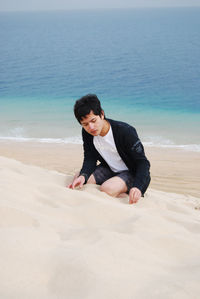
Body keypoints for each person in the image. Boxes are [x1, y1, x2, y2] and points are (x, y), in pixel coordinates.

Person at [68, 94, 151, 204]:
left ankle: (126, 193)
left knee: (106, 189)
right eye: (85, 124)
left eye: (93, 120)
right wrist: (84, 176)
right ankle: (116, 190)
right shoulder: (87, 133)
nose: (91, 127)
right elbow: (90, 158)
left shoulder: (125, 131)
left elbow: (143, 163)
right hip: (109, 168)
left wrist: (138, 187)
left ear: (102, 114)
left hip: (131, 172)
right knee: (79, 178)